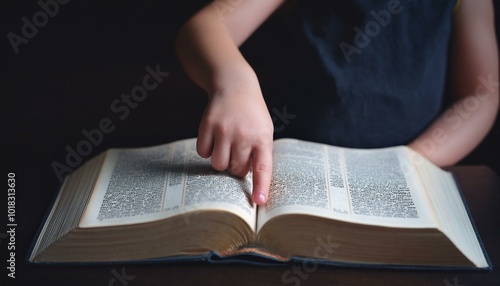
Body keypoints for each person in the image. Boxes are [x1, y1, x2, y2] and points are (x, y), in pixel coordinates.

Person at [174, 0, 499, 205]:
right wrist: (236, 86)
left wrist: (414, 160)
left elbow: (482, 93)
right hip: (296, 175)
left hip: (414, 172)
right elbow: (204, 27)